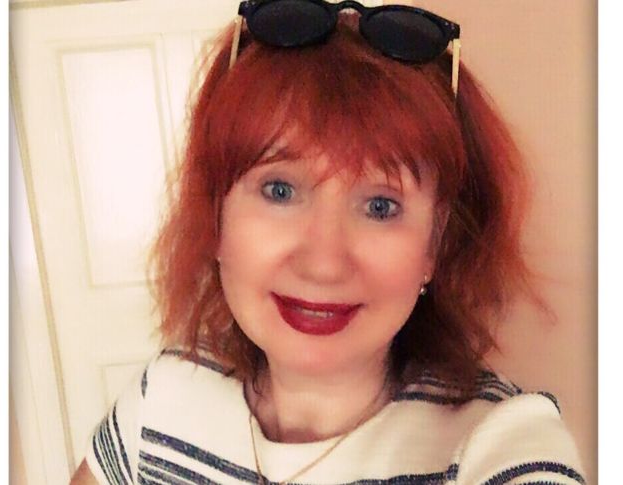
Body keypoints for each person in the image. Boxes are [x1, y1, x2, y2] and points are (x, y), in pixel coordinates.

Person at [71, 1, 586, 484]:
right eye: (280, 190)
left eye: (380, 206)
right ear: (216, 216)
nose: (323, 264)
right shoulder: (161, 400)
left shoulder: (498, 442)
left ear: (435, 243)